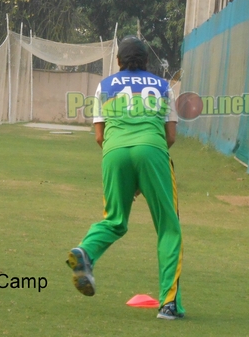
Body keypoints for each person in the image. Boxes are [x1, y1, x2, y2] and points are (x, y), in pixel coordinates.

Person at [66, 35, 184, 320]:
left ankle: (86, 250)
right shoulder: (163, 85)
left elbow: (99, 137)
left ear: (118, 61)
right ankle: (168, 305)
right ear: (147, 61)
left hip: (114, 152)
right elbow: (170, 136)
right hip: (152, 150)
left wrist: (129, 174)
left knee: (115, 219)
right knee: (168, 227)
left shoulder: (104, 86)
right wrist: (146, 168)